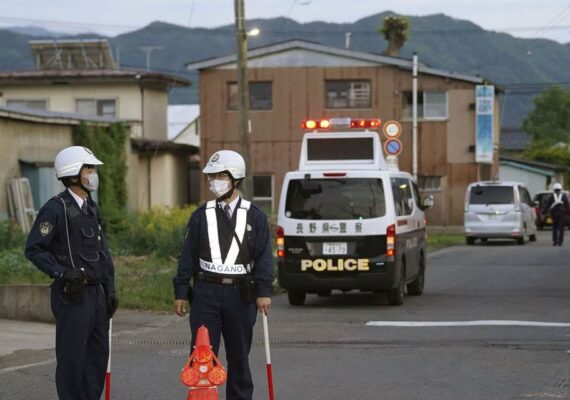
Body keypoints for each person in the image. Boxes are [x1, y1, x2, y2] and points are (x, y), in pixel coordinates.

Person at [173, 150, 273, 400]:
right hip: (206, 293)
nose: (213, 182)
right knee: (202, 356)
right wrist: (181, 291)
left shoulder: (255, 215)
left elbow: (264, 256)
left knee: (239, 358)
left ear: (235, 179)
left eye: (220, 176)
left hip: (241, 295)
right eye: (211, 176)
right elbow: (187, 256)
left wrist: (263, 291)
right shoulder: (201, 215)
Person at [25, 146, 118, 400]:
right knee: (72, 361)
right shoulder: (55, 208)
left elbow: (103, 254)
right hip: (73, 296)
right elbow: (34, 249)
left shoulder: (92, 208)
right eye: (90, 169)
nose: (94, 174)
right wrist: (62, 272)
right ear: (74, 174)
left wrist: (110, 290)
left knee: (97, 359)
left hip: (97, 296)